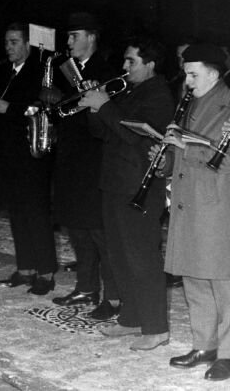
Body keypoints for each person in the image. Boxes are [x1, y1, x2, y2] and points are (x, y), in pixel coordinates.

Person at [158, 43, 230, 381]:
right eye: (186, 74)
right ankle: (204, 345)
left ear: (212, 73)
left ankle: (228, 354)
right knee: (193, 277)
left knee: (222, 281)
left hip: (218, 204)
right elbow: (185, 151)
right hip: (189, 200)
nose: (188, 81)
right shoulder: (190, 103)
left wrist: (185, 147)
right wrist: (166, 158)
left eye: (193, 74)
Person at [79, 36, 174, 351]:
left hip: (139, 187)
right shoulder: (131, 90)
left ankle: (156, 328)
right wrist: (94, 107)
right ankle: (132, 319)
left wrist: (105, 105)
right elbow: (102, 132)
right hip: (115, 183)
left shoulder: (159, 94)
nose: (124, 66)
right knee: (119, 256)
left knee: (142, 257)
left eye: (131, 60)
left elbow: (135, 135)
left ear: (150, 64)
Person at [44, 12, 120, 320]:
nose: (68, 41)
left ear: (91, 37)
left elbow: (107, 118)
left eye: (74, 36)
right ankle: (86, 287)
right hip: (71, 160)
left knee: (100, 233)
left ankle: (113, 297)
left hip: (95, 162)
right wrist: (53, 102)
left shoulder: (107, 71)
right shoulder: (66, 71)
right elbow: (64, 112)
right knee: (77, 229)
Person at [0, 23, 57, 295]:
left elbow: (43, 109)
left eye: (14, 42)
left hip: (32, 154)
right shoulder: (1, 71)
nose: (9, 47)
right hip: (8, 152)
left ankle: (46, 272)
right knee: (16, 211)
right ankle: (26, 268)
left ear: (28, 44)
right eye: (7, 42)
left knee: (36, 213)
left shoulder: (40, 72)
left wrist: (10, 108)